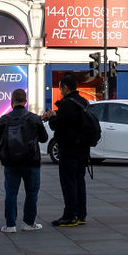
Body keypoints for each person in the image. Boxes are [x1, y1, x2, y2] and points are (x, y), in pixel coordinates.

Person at [0, 88, 50, 234]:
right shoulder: (34, 118)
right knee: (32, 192)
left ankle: (10, 225)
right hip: (31, 161)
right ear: (25, 101)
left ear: (12, 102)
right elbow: (44, 138)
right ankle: (29, 222)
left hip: (11, 162)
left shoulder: (4, 119)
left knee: (11, 193)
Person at [47, 75, 94, 228]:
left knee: (68, 183)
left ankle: (70, 215)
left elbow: (57, 126)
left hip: (69, 149)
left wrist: (53, 116)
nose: (60, 91)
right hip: (82, 150)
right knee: (80, 181)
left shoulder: (67, 104)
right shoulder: (83, 102)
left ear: (65, 88)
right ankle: (81, 215)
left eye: (61, 88)